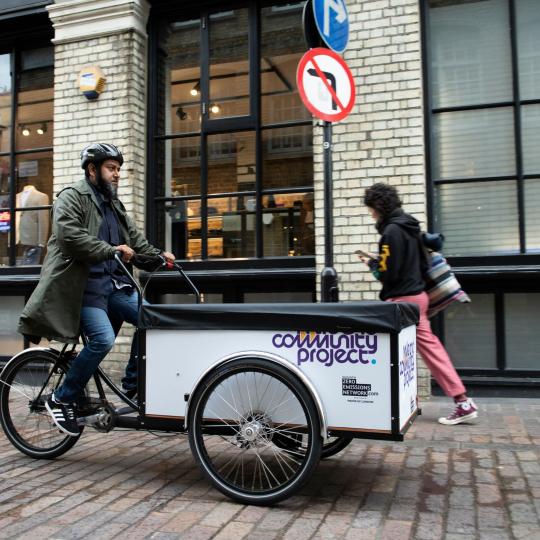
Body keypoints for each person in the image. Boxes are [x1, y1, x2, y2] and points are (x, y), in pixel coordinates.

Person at [18, 143, 175, 436]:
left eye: (118, 169)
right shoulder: (72, 197)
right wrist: (109, 249)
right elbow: (68, 235)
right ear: (93, 169)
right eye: (111, 168)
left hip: (115, 285)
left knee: (153, 320)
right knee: (103, 340)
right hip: (83, 288)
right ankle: (61, 397)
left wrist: (159, 255)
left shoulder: (114, 205)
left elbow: (136, 241)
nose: (117, 175)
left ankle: (133, 387)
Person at [359, 182, 478, 426]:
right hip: (418, 296)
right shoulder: (411, 226)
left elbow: (387, 273)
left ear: (378, 207)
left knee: (386, 350)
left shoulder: (390, 233)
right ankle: (461, 401)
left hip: (402, 301)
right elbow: (421, 264)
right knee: (425, 350)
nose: (370, 213)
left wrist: (372, 264)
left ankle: (383, 403)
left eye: (371, 208)